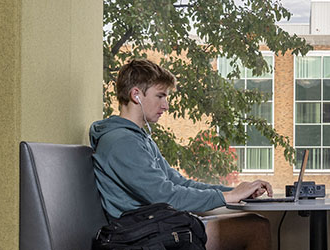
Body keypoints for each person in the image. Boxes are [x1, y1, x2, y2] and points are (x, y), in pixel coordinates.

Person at [90, 59, 272, 250]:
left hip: (157, 224)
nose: (166, 105)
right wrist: (228, 197)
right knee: (257, 226)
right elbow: (166, 196)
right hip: (141, 234)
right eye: (160, 96)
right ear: (136, 95)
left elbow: (179, 183)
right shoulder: (122, 142)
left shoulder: (138, 138)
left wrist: (234, 192)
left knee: (255, 222)